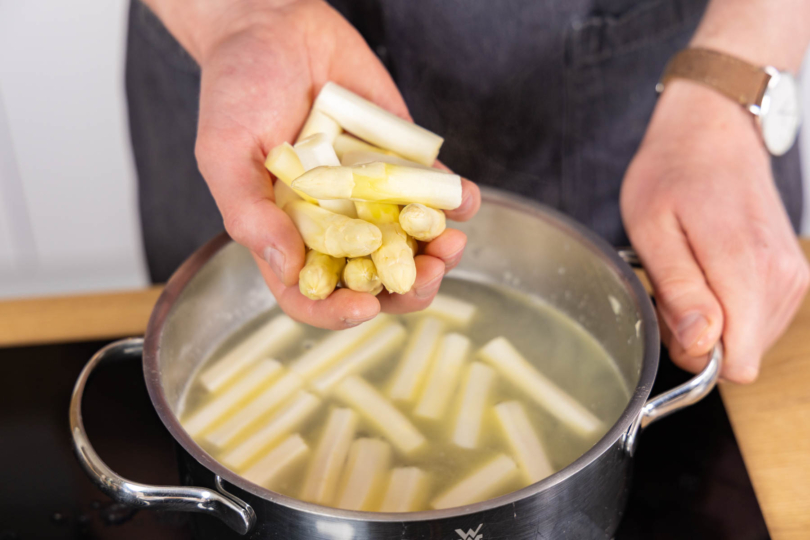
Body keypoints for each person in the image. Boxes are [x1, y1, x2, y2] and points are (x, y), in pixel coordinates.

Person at [126, 0, 809, 385]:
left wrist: (731, 86)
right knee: (223, 344)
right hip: (233, 55)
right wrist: (244, 18)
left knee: (627, 355)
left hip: (651, 84)